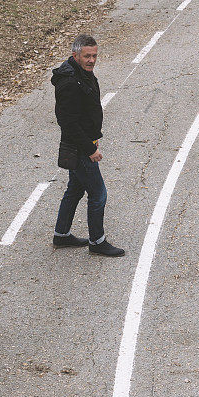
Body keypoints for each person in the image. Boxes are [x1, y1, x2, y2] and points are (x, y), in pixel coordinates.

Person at [51, 34, 125, 257]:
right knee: (98, 193)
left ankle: (61, 235)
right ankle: (97, 241)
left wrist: (94, 134)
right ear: (75, 55)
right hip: (80, 147)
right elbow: (69, 123)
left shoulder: (83, 74)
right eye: (87, 56)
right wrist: (90, 148)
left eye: (94, 56)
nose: (92, 60)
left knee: (75, 189)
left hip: (84, 141)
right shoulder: (70, 83)